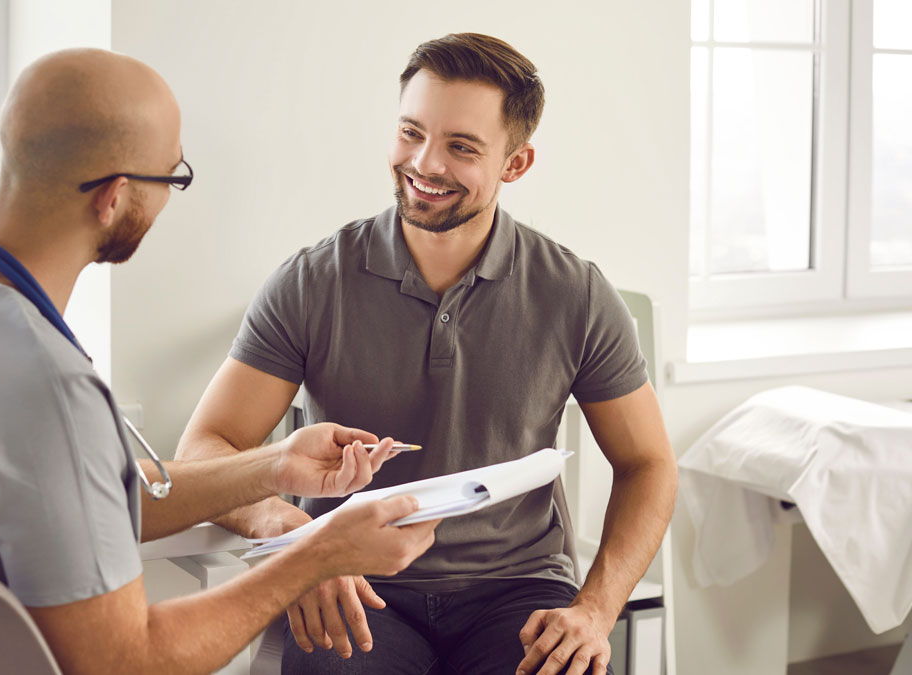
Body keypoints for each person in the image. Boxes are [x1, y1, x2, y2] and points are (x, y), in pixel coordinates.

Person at [0, 48, 440, 675]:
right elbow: (126, 661)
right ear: (113, 197)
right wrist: (316, 556)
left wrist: (272, 466)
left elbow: (79, 500)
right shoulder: (43, 386)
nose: (170, 197)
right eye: (172, 178)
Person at [177, 33, 678, 675]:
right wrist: (295, 539)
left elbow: (648, 464)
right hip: (351, 579)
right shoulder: (311, 282)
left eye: (461, 147)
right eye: (411, 132)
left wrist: (597, 609)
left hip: (517, 589)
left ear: (515, 164)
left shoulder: (575, 293)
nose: (424, 163)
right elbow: (205, 449)